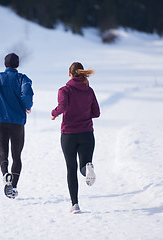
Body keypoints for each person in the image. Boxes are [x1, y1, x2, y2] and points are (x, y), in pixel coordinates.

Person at [0, 53, 34, 199]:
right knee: (17, 156)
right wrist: (26, 106)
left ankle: (5, 174)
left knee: (3, 152)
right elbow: (27, 94)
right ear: (17, 64)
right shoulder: (23, 78)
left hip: (0, 122)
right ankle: (13, 187)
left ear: (5, 64)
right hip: (17, 122)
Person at [51, 62, 100, 213]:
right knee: (84, 167)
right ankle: (88, 167)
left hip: (69, 135)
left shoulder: (64, 90)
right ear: (83, 74)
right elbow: (96, 113)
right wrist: (84, 113)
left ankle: (75, 205)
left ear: (69, 73)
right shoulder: (89, 91)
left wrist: (54, 113)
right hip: (87, 133)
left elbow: (63, 107)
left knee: (71, 169)